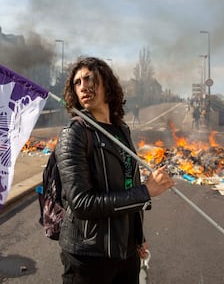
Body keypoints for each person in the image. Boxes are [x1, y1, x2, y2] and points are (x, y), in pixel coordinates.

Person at [55, 57, 175, 284]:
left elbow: (128, 183)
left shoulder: (121, 130)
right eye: (77, 82)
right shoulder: (74, 134)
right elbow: (81, 203)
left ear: (107, 84)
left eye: (89, 78)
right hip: (89, 257)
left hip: (125, 250)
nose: (83, 86)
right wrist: (146, 192)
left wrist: (137, 236)